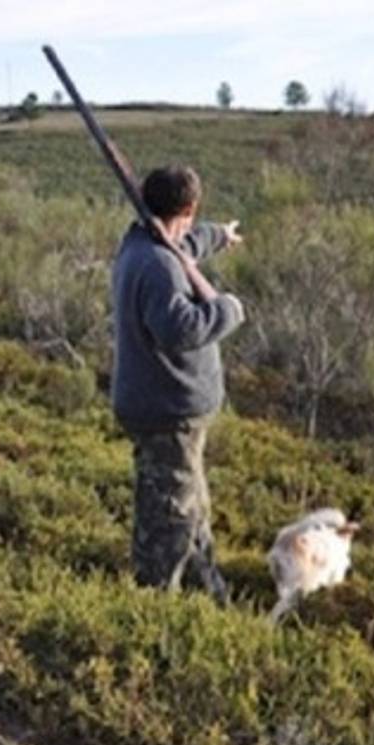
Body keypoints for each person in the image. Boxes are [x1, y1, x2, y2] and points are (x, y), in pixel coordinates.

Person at [110, 165, 246, 603]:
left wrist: (219, 235)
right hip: (167, 413)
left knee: (190, 509)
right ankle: (154, 610)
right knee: (170, 518)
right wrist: (229, 310)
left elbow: (186, 244)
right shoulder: (158, 266)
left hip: (162, 408)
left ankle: (210, 597)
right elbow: (179, 328)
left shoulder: (144, 246)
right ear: (188, 208)